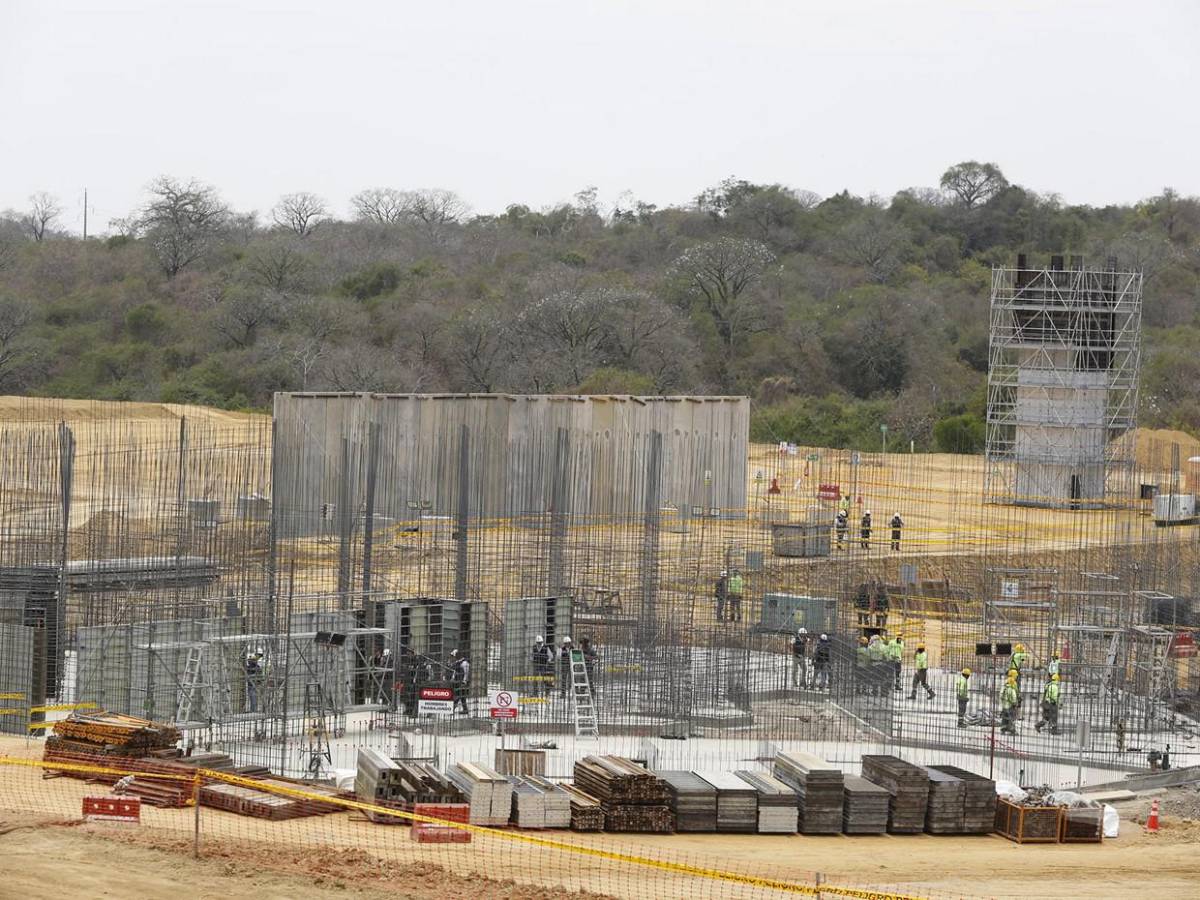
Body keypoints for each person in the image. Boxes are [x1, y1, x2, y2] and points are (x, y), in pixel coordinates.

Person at [450, 649, 470, 714]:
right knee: (462, 697)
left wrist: (464, 682)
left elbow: (466, 673)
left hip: (462, 682)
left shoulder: (464, 663)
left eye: (454, 656)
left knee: (458, 695)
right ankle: (465, 709)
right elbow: (455, 671)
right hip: (457, 681)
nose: (453, 657)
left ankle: (452, 708)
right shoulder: (458, 662)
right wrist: (453, 678)